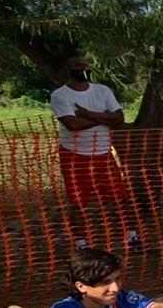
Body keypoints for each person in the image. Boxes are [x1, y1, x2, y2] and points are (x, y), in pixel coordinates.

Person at [49, 54, 138, 252]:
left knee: (120, 197)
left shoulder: (102, 90)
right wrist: (104, 118)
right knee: (78, 202)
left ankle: (132, 237)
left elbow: (119, 118)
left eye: (85, 64)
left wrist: (88, 114)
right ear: (68, 69)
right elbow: (72, 124)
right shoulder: (60, 95)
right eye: (76, 64)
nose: (82, 67)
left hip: (103, 153)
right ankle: (81, 244)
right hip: (74, 155)